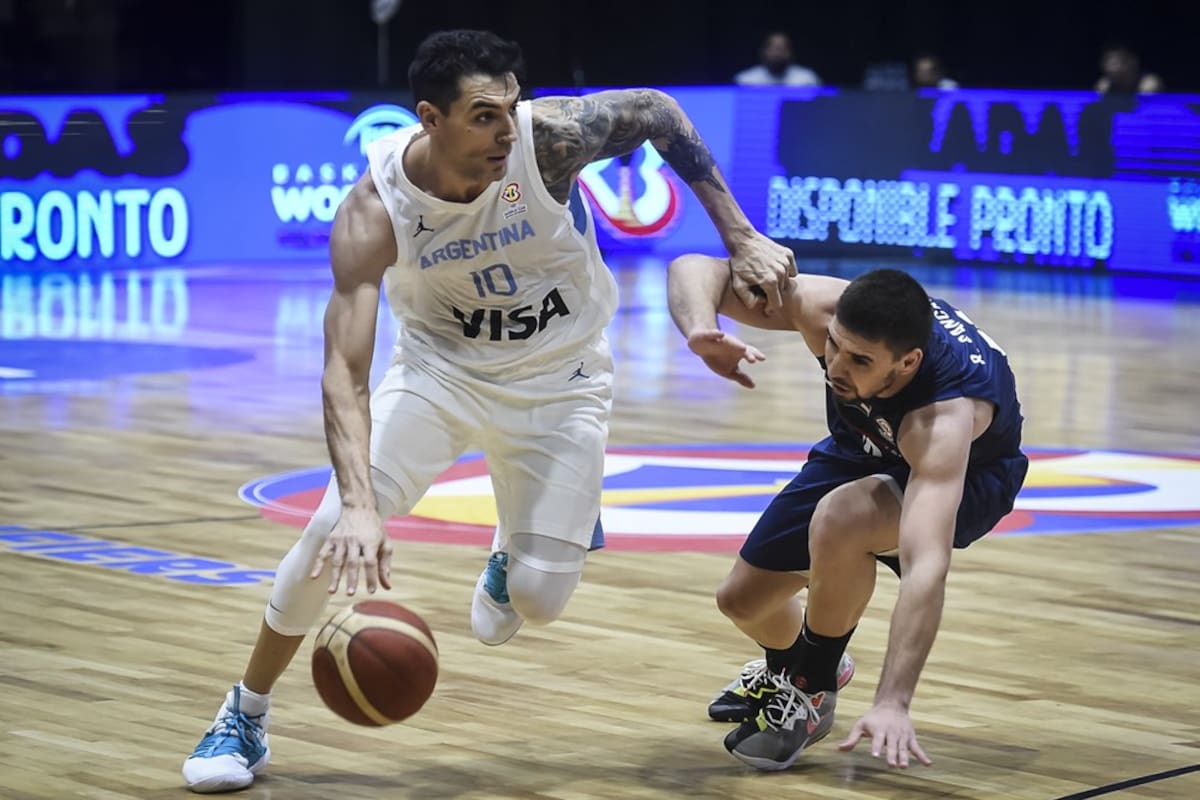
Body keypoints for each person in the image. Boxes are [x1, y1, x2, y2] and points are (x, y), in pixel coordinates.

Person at [180, 29, 796, 793]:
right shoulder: (376, 209)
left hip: (563, 378)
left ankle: (514, 550)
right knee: (328, 531)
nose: (505, 130)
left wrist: (740, 235)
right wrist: (363, 508)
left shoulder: (547, 145)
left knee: (534, 603)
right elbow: (344, 370)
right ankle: (244, 712)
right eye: (482, 115)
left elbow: (660, 112)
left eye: (509, 107)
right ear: (429, 119)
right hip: (441, 375)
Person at [666, 255, 1027, 771]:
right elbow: (695, 267)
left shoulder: (942, 418)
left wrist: (893, 702)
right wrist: (701, 329)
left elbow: (926, 568)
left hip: (970, 476)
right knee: (742, 602)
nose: (836, 366)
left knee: (843, 517)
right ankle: (796, 666)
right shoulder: (823, 309)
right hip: (865, 442)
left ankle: (810, 690)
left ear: (906, 363)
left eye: (859, 360)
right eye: (834, 344)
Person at [734, 31, 821, 87]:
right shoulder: (746, 80)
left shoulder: (807, 80)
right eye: (773, 49)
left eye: (782, 49)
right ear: (763, 51)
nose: (777, 54)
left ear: (792, 52)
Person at [1095, 43, 1163, 94]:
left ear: (1133, 62)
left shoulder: (1149, 85)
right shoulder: (1104, 86)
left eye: (1116, 62)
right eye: (1107, 61)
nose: (1110, 67)